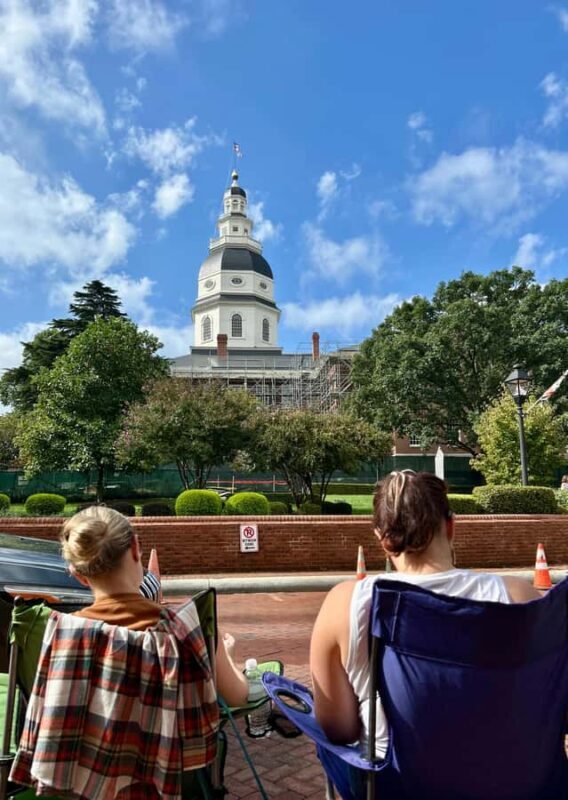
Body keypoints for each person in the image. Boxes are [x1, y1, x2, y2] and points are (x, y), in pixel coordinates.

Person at [310, 470, 541, 754]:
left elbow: (340, 729)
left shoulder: (345, 604)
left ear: (383, 540)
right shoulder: (518, 597)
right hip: (507, 780)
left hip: (395, 785)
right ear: (451, 526)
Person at [61, 504, 249, 707]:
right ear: (135, 548)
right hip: (170, 738)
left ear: (78, 575)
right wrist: (227, 657)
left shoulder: (63, 633)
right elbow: (237, 697)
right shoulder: (189, 626)